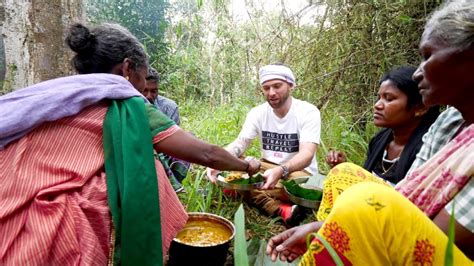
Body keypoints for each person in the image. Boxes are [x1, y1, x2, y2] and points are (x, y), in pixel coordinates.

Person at [0, 23, 260, 265]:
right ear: (127, 68)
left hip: (10, 208)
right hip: (56, 224)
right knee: (151, 170)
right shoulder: (125, 103)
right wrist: (245, 165)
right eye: (144, 77)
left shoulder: (51, 93)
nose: (144, 89)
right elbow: (206, 153)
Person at [266, 0, 473, 264]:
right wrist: (326, 228)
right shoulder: (448, 122)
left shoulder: (306, 112)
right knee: (344, 175)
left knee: (364, 199)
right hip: (405, 222)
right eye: (267, 88)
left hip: (447, 250)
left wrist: (340, 224)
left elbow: (434, 227)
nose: (419, 72)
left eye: (428, 56)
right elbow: (408, 197)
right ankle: (326, 240)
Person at [207, 64, 321, 225]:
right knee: (233, 165)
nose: (272, 93)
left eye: (277, 86)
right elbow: (241, 142)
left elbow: (307, 154)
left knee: (298, 189)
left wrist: (281, 170)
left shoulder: (307, 112)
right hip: (266, 168)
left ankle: (240, 190)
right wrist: (217, 162)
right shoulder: (257, 112)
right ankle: (281, 208)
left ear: (290, 85)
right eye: (266, 88)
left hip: (298, 173)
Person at [326, 66, 439, 185]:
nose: (377, 105)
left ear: (420, 108)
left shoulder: (427, 150)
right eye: (379, 98)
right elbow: (367, 186)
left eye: (389, 99)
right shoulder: (380, 140)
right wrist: (345, 168)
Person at [143, 67, 191, 192]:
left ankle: (174, 183)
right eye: (144, 91)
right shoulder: (129, 106)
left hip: (166, 151)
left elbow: (174, 139)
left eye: (153, 91)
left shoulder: (169, 107)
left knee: (189, 139)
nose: (149, 96)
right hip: (143, 156)